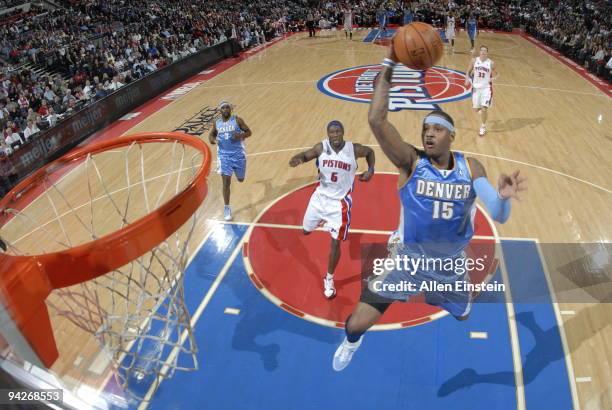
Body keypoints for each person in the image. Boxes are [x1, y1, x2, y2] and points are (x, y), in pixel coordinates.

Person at [332, 47, 526, 371]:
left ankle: (454, 288)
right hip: (409, 257)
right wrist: (390, 63)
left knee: (463, 315)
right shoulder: (411, 162)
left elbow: (499, 214)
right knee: (354, 324)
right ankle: (352, 343)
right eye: (426, 130)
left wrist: (503, 198)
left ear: (451, 135)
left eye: (436, 129)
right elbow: (376, 119)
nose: (429, 134)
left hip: (449, 264)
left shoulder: (471, 167)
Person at [289, 121, 375, 299]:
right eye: (332, 132)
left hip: (339, 204)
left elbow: (370, 152)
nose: (335, 135)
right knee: (305, 231)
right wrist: (298, 158)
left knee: (335, 242)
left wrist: (371, 169)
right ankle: (321, 220)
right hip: (319, 199)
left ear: (343, 132)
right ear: (328, 134)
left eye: (338, 131)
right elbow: (307, 155)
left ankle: (329, 279)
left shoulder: (354, 149)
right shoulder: (321, 147)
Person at [208, 101, 252, 221]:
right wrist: (213, 140)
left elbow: (249, 132)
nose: (226, 109)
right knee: (226, 183)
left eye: (227, 107)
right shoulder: (216, 123)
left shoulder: (237, 120)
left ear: (230, 109)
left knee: (241, 179)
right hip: (224, 156)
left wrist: (239, 135)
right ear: (220, 110)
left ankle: (239, 173)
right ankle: (227, 207)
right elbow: (211, 136)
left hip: (238, 155)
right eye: (223, 107)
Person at [465, 45, 498, 137]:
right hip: (476, 88)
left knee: (484, 108)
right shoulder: (474, 60)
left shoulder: (491, 63)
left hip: (486, 89)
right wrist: (466, 78)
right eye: (481, 51)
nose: (483, 52)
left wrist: (493, 78)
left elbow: (498, 74)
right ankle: (481, 111)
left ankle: (483, 127)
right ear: (479, 52)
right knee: (476, 109)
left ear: (487, 53)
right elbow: (468, 71)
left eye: (485, 51)